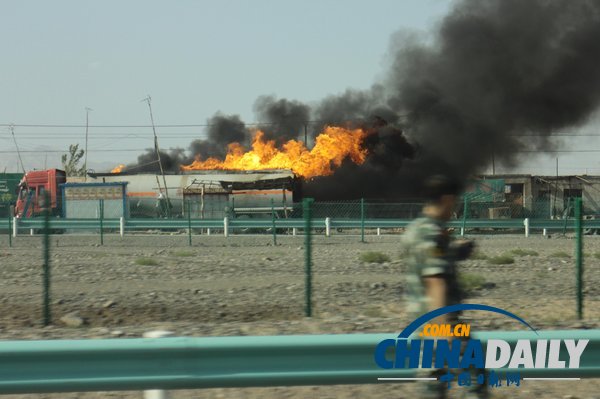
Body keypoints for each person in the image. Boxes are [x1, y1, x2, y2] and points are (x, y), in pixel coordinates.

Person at [401, 175, 487, 399]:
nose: (455, 208)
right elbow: (435, 281)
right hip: (441, 324)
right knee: (477, 379)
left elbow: (428, 260)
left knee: (435, 385)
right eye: (455, 202)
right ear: (448, 199)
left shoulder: (416, 229)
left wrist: (456, 250)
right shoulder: (433, 234)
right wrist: (445, 331)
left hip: (422, 322)